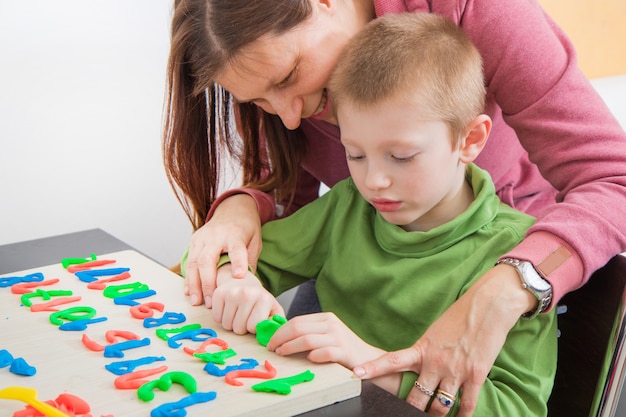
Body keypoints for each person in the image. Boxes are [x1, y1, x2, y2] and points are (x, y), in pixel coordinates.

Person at [163, 0, 626, 415]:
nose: (287, 116)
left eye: (287, 78)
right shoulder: (348, 206)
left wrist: (510, 285)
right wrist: (234, 234)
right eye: (355, 155)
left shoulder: (484, 12)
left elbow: (614, 178)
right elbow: (283, 197)